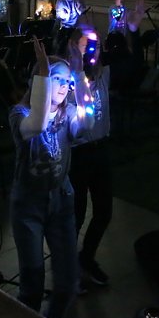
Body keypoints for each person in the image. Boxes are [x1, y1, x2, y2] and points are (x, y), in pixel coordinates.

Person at [9, 37, 96, 318]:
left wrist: (80, 72)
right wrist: (44, 74)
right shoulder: (19, 114)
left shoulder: (69, 113)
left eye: (65, 81)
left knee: (68, 282)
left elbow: (89, 123)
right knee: (32, 283)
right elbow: (35, 125)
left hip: (61, 200)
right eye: (56, 79)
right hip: (28, 205)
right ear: (39, 81)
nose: (62, 85)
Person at [66, 25, 113, 293]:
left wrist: (128, 28)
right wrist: (77, 68)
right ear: (73, 47)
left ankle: (86, 257)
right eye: (86, 45)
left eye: (96, 45)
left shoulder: (103, 74)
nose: (92, 50)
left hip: (101, 149)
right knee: (76, 213)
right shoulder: (67, 77)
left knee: (104, 210)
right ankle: (68, 266)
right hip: (79, 152)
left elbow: (128, 56)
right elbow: (81, 115)